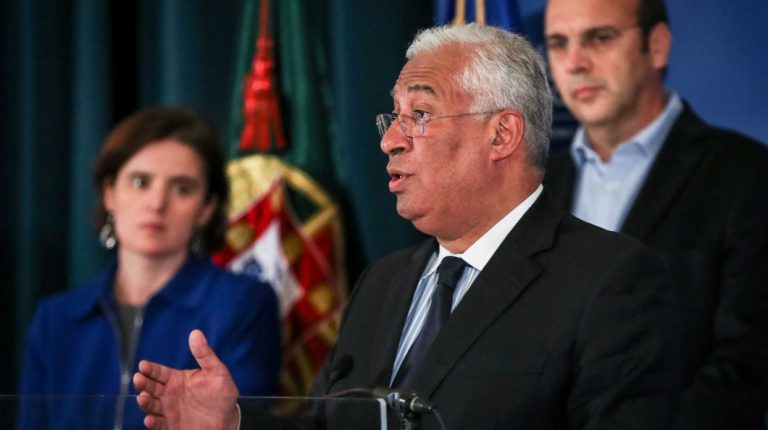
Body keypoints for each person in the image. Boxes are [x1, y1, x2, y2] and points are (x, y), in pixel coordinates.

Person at [133, 24, 679, 430]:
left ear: (502, 135)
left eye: (419, 115)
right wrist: (233, 423)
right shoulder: (384, 283)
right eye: (392, 118)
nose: (390, 140)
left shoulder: (608, 280)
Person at [542, 0, 768, 428]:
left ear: (658, 45)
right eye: (558, 44)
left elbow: (747, 362)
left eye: (600, 38)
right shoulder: (535, 189)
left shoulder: (747, 175)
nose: (574, 63)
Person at [19, 107, 282, 430]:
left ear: (206, 208)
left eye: (182, 188)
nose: (157, 203)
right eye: (140, 182)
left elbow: (243, 419)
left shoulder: (243, 305)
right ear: (110, 193)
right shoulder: (55, 318)